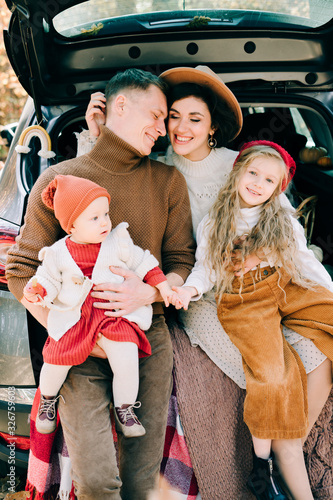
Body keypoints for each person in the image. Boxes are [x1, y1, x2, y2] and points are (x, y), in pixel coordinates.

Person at [79, 66, 332, 498]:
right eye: (172, 116)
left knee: (314, 354)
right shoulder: (155, 167)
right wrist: (97, 134)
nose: (180, 128)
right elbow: (103, 182)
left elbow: (284, 225)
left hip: (262, 284)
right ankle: (271, 462)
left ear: (213, 126)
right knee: (262, 368)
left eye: (194, 119)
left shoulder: (241, 167)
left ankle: (288, 450)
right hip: (199, 293)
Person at [5, 68, 195, 500]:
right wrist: (69, 327)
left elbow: (181, 259)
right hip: (76, 350)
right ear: (121, 105)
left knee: (139, 481)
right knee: (95, 481)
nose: (162, 129)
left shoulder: (168, 181)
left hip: (145, 341)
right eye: (158, 115)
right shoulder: (61, 180)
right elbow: (20, 270)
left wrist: (149, 291)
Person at [171, 141, 333, 500]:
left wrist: (329, 291)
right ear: (238, 172)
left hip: (284, 283)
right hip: (244, 299)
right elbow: (205, 269)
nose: (258, 183)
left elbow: (306, 262)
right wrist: (189, 291)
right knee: (272, 372)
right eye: (253, 173)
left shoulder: (281, 221)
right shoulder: (216, 221)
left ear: (279, 189)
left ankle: (284, 454)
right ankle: (263, 467)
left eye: (269, 180)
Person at [23, 174, 182, 437]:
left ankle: (126, 410)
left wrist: (163, 287)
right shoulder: (58, 252)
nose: (105, 222)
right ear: (71, 226)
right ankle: (47, 400)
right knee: (55, 360)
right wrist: (37, 290)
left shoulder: (118, 242)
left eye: (105, 214)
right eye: (94, 218)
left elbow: (146, 263)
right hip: (75, 317)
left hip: (112, 314)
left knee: (126, 358)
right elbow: (47, 279)